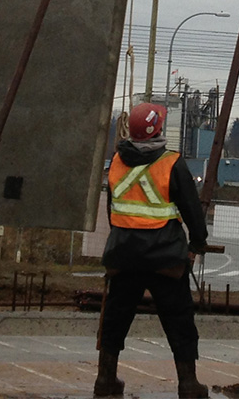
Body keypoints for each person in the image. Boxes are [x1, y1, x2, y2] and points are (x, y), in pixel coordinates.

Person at [95, 102, 209, 399]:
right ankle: (188, 384)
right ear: (157, 129)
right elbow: (192, 211)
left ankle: (105, 380)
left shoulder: (118, 161)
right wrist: (197, 243)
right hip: (165, 257)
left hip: (124, 256)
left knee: (115, 319)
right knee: (180, 321)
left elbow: (114, 211)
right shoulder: (172, 164)